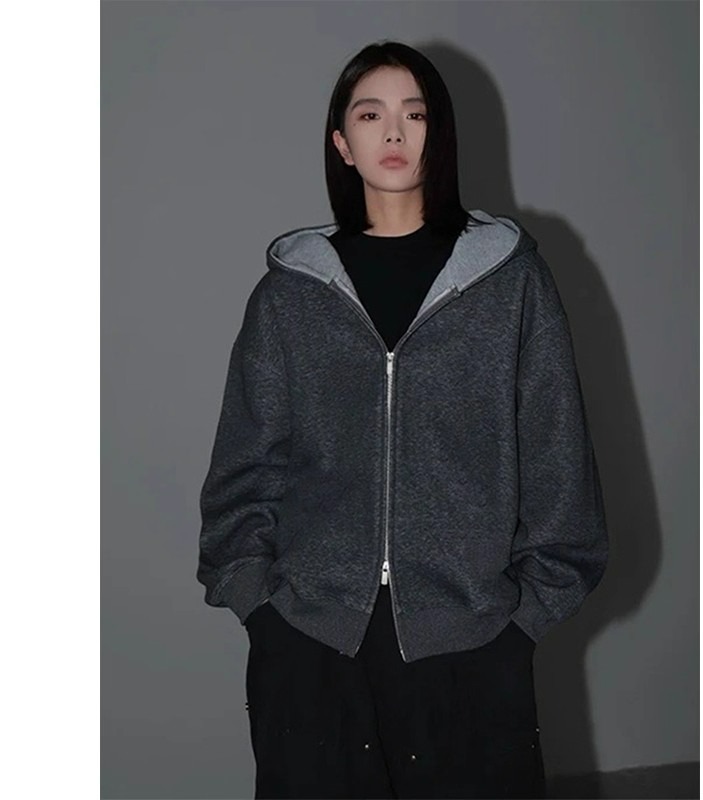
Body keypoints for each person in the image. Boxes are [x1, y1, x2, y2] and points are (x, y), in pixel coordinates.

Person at [197, 40, 609, 800]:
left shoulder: (510, 283)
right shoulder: (289, 295)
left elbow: (559, 459)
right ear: (341, 143)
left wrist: (522, 623)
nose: (393, 132)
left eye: (415, 114)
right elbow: (243, 468)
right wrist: (263, 611)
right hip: (312, 645)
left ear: (438, 133)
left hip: (472, 645)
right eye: (370, 114)